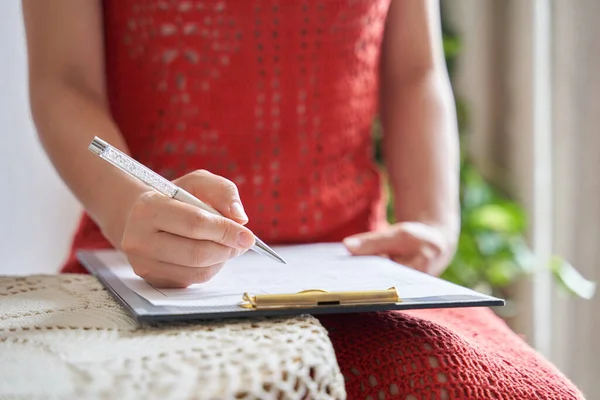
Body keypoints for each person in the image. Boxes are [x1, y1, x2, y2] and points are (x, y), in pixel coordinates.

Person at [22, 0, 583, 398]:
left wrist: (432, 221)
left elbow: (415, 70)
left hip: (360, 270)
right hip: (141, 268)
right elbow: (64, 81)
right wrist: (132, 210)